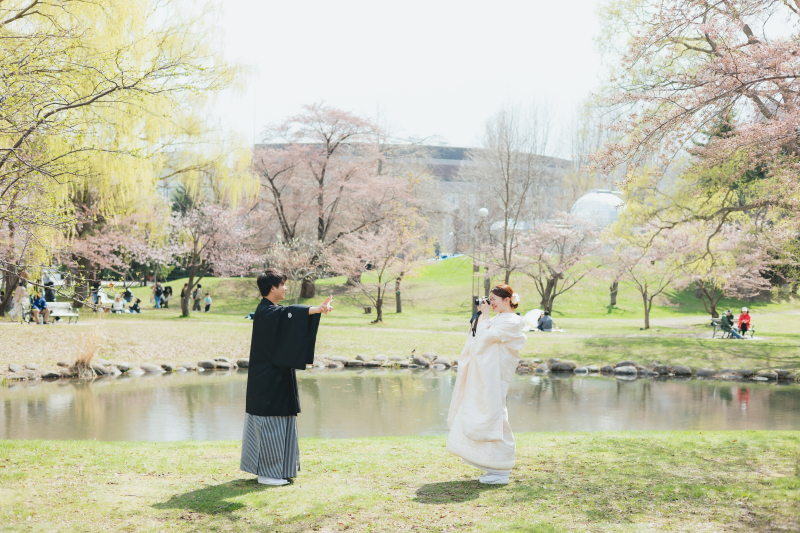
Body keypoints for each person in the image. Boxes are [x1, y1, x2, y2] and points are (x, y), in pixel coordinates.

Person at [240, 268, 333, 486]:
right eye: (283, 284)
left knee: (282, 421)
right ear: (272, 287)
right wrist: (315, 309)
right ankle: (267, 474)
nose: (285, 288)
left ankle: (280, 470)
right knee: (271, 424)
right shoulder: (266, 312)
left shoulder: (271, 311)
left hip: (276, 377)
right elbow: (288, 313)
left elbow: (287, 316)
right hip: (267, 383)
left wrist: (316, 310)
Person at [447, 284, 526, 485]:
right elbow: (476, 337)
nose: (490, 303)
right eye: (489, 299)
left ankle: (502, 469)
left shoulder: (514, 321)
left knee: (496, 417)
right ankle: (491, 466)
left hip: (496, 378)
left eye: (494, 299)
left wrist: (486, 315)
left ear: (507, 300)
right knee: (478, 412)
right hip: (486, 376)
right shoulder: (497, 319)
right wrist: (484, 316)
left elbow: (484, 338)